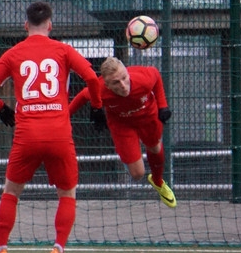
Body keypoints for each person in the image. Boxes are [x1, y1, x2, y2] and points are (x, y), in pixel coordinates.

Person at [0, 1, 103, 253]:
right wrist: (97, 108)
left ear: (26, 25)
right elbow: (93, 80)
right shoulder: (63, 50)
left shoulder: (13, 53)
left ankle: (1, 251)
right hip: (59, 134)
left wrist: (2, 109)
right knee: (67, 193)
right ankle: (58, 251)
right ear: (50, 25)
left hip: (27, 135)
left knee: (11, 192)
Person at [69, 56, 176, 208]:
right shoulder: (99, 89)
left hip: (148, 116)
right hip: (122, 124)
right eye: (116, 83)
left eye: (124, 78)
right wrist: (62, 118)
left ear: (127, 72)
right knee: (137, 174)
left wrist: (163, 106)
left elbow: (156, 75)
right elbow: (82, 96)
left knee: (155, 147)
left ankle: (158, 182)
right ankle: (128, 154)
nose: (123, 86)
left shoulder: (143, 79)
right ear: (107, 84)